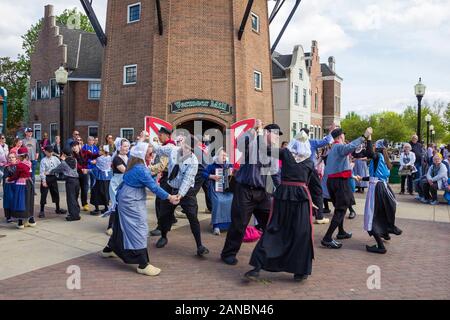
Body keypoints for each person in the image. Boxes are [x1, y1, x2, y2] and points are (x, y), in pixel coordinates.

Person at [244, 131, 315, 282]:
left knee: (282, 229)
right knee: (295, 231)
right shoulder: (301, 158)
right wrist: (259, 133)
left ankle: (297, 269)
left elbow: (264, 149)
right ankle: (296, 270)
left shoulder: (288, 154)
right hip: (295, 197)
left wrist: (259, 133)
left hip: (291, 196)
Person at [101, 142, 180, 277]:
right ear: (143, 153)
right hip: (131, 200)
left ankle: (108, 249)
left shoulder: (134, 165)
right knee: (139, 229)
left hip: (126, 197)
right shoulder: (140, 168)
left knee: (121, 226)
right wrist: (169, 197)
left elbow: (148, 176)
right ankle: (143, 264)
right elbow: (153, 187)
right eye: (149, 148)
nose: (152, 150)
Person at [221, 121, 281, 266]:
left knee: (270, 223)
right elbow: (240, 142)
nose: (276, 137)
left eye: (278, 135)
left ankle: (272, 252)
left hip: (262, 193)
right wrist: (253, 130)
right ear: (266, 132)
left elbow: (274, 174)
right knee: (239, 224)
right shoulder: (253, 144)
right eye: (274, 133)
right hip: (245, 191)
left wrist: (281, 190)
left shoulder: (273, 152)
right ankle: (228, 254)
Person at [150, 136, 210, 257]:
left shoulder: (193, 161)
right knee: (163, 214)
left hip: (186, 192)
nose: (187, 150)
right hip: (170, 187)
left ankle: (200, 246)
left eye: (190, 149)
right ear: (182, 144)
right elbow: (158, 149)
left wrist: (179, 195)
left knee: (193, 217)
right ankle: (163, 236)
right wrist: (149, 141)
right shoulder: (172, 150)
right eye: (186, 147)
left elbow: (187, 180)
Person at [321, 127, 372, 249]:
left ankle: (341, 231)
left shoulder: (333, 148)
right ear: (340, 136)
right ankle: (327, 238)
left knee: (340, 207)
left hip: (333, 181)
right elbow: (348, 148)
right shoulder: (338, 146)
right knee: (341, 209)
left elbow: (336, 166)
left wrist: (352, 176)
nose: (344, 137)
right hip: (339, 182)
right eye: (343, 135)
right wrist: (363, 137)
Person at [362, 139, 402, 254]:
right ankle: (387, 231)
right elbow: (377, 176)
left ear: (378, 147)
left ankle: (380, 245)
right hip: (383, 187)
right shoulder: (385, 157)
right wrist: (362, 178)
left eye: (374, 145)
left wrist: (368, 138)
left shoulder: (378, 156)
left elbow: (369, 153)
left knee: (372, 216)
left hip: (377, 189)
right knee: (382, 212)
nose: (373, 147)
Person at [299, 124, 335, 224]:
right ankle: (319, 216)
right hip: (310, 170)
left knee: (303, 192)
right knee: (318, 192)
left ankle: (304, 215)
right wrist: (330, 132)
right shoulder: (311, 142)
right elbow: (326, 141)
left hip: (299, 172)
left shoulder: (295, 144)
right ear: (307, 135)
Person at [149, 127, 176, 237]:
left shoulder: (168, 147)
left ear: (167, 135)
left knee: (160, 202)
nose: (159, 137)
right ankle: (171, 219)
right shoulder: (170, 145)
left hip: (167, 177)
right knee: (166, 202)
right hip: (168, 177)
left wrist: (147, 170)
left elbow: (161, 165)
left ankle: (161, 227)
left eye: (160, 135)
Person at [203, 148, 233, 235]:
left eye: (225, 155)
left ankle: (229, 224)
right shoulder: (212, 165)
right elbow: (203, 173)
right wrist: (212, 176)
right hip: (216, 188)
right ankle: (216, 226)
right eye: (222, 155)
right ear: (217, 156)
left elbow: (234, 173)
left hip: (227, 189)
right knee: (218, 201)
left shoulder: (228, 164)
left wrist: (232, 173)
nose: (224, 156)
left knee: (232, 199)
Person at [106, 138, 130, 236]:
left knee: (124, 205)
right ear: (119, 147)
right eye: (125, 146)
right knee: (115, 205)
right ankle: (110, 227)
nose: (127, 148)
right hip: (116, 184)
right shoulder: (116, 158)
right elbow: (125, 171)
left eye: (128, 146)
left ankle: (122, 225)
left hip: (125, 183)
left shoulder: (128, 157)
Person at [7, 147, 35, 229]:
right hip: (29, 183)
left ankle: (20, 222)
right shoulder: (29, 163)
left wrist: (9, 179)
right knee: (29, 201)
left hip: (21, 184)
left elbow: (16, 176)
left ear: (20, 156)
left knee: (20, 201)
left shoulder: (20, 165)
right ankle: (30, 220)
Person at [50, 147, 81, 221]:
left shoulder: (64, 163)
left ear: (64, 154)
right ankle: (76, 213)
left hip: (70, 181)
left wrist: (50, 172)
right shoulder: (75, 160)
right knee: (75, 198)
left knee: (70, 198)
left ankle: (73, 216)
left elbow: (56, 170)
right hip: (77, 180)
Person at [39, 145, 66, 218]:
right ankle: (41, 210)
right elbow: (42, 172)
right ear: (45, 152)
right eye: (49, 152)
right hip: (46, 178)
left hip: (53, 178)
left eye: (51, 152)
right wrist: (43, 181)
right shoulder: (43, 160)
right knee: (44, 194)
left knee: (56, 193)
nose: (50, 154)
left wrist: (53, 171)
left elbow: (60, 167)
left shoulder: (55, 159)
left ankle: (57, 208)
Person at [72, 141, 99, 212]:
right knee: (76, 190)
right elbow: (74, 165)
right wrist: (81, 169)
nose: (74, 148)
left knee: (85, 189)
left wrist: (100, 153)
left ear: (79, 146)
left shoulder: (85, 152)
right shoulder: (72, 155)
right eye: (73, 146)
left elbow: (93, 156)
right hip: (76, 174)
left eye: (75, 146)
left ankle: (84, 204)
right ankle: (76, 205)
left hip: (85, 173)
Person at [90, 147, 113, 215]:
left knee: (96, 192)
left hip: (100, 177)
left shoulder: (99, 159)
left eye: (100, 150)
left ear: (104, 151)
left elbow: (95, 166)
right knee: (105, 192)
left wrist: (91, 162)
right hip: (108, 177)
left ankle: (97, 209)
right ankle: (106, 207)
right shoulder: (110, 157)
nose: (98, 151)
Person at [3, 153, 17, 223]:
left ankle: (15, 215)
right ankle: (8, 216)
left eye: (12, 157)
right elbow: (6, 178)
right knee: (9, 201)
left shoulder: (18, 166)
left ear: (16, 158)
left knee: (16, 200)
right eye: (9, 157)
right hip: (9, 187)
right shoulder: (6, 167)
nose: (11, 159)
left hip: (16, 186)